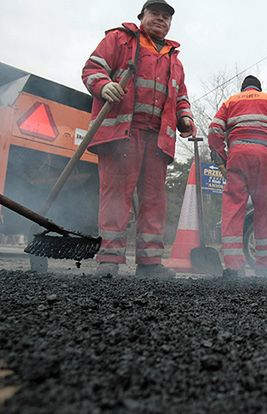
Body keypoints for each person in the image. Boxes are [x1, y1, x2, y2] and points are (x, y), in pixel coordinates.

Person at [82, 0, 196, 278]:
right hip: (123, 133)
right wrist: (103, 84)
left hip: (157, 140)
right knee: (116, 197)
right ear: (142, 17)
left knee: (155, 200)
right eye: (155, 14)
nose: (161, 19)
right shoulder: (119, 40)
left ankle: (149, 263)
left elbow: (181, 97)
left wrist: (186, 118)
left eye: (166, 17)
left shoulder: (175, 60)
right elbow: (91, 69)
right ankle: (109, 260)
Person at [208, 75, 267, 278]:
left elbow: (214, 130)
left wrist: (221, 158)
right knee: (264, 210)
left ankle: (233, 267)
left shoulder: (231, 101)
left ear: (243, 88)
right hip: (264, 157)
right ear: (259, 88)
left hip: (237, 156)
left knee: (233, 209)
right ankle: (265, 268)